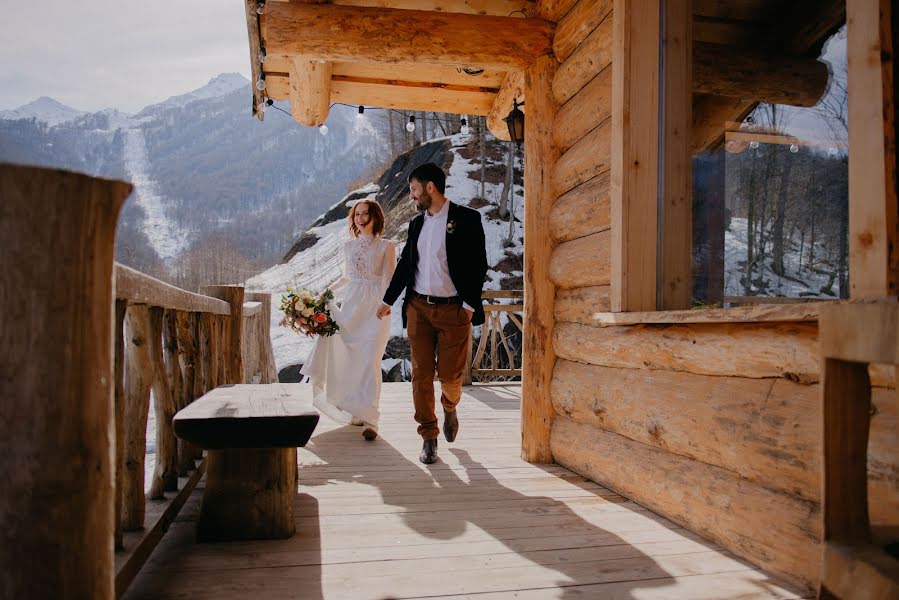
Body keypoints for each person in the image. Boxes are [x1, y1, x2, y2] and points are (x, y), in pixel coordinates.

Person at [377, 163, 488, 464]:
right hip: (418, 309)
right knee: (421, 374)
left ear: (429, 187)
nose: (411, 196)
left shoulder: (467, 219)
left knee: (450, 376)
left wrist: (468, 307)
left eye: (414, 189)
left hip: (454, 310)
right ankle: (429, 435)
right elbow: (404, 266)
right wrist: (388, 300)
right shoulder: (416, 225)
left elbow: (479, 266)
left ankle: (450, 406)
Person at [302, 199, 396, 440]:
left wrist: (387, 303)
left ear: (376, 216)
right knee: (351, 358)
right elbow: (347, 277)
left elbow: (390, 279)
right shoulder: (348, 247)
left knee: (370, 360)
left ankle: (371, 420)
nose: (360, 218)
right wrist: (326, 293)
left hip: (375, 309)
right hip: (351, 307)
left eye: (366, 213)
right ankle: (356, 409)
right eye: (357, 214)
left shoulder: (387, 246)